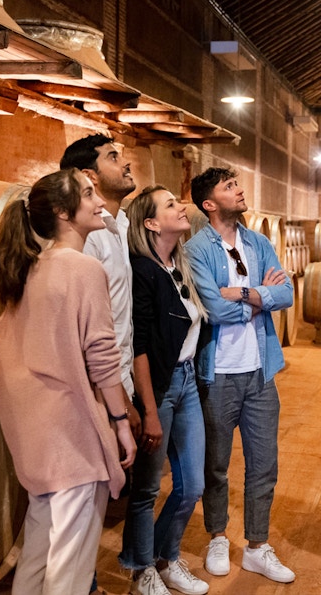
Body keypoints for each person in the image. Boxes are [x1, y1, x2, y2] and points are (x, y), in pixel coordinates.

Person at [0, 168, 137, 595]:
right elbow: (103, 358)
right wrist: (121, 423)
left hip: (33, 435)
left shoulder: (29, 269)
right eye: (88, 193)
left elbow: (1, 336)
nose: (98, 200)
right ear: (62, 212)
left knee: (37, 556)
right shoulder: (83, 269)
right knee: (68, 575)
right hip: (70, 435)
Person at [184, 167, 295, 584]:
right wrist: (258, 300)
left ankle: (256, 546)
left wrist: (243, 293)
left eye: (237, 183)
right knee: (216, 464)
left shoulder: (259, 241)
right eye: (229, 186)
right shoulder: (196, 249)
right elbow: (212, 308)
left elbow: (284, 295)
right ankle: (217, 536)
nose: (240, 190)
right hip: (217, 374)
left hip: (261, 372)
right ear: (209, 203)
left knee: (264, 464)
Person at [61, 134, 142, 595]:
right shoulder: (88, 236)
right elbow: (89, 329)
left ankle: (85, 585)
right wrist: (112, 400)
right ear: (89, 176)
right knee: (83, 499)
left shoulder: (117, 224)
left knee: (94, 498)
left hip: (114, 379)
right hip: (95, 387)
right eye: (114, 157)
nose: (125, 162)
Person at [119, 185, 210, 595]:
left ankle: (164, 556)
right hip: (160, 385)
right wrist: (150, 409)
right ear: (152, 223)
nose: (182, 207)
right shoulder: (143, 271)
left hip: (187, 380)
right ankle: (143, 570)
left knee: (193, 484)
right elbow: (138, 346)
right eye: (171, 204)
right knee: (147, 487)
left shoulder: (179, 266)